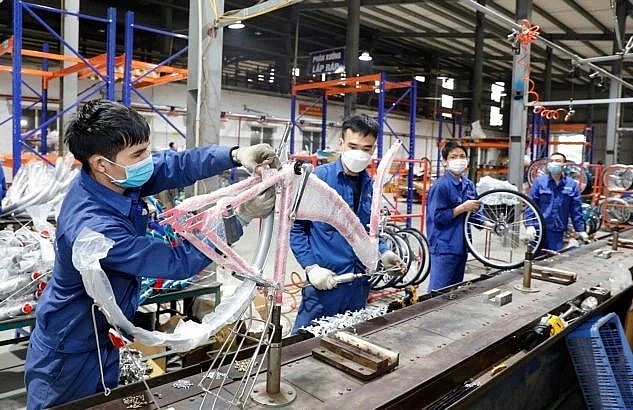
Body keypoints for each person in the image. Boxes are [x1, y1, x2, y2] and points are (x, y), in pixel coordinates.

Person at [24, 100, 279, 410]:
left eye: (146, 149)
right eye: (139, 154)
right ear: (101, 163)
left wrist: (234, 156)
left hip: (98, 335)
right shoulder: (95, 229)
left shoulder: (115, 180)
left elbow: (175, 165)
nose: (148, 160)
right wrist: (238, 217)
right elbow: (177, 260)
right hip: (69, 352)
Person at [290, 114, 405, 332]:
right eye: (353, 146)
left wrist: (383, 251)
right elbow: (296, 228)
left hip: (359, 285)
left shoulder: (371, 186)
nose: (359, 154)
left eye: (366, 148)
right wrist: (311, 267)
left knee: (350, 342)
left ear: (373, 150)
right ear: (341, 144)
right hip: (325, 284)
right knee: (303, 346)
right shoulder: (318, 181)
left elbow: (368, 230)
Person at [426, 141, 488, 291]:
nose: (459, 160)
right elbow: (438, 217)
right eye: (453, 157)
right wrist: (462, 208)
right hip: (444, 247)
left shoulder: (468, 184)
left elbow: (472, 213)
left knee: (454, 290)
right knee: (438, 291)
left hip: (462, 246)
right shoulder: (441, 186)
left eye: (462, 156)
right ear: (445, 162)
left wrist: (488, 224)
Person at [525, 152, 588, 251]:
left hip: (557, 231)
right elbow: (531, 205)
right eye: (551, 161)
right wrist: (529, 225)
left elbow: (576, 210)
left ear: (564, 165)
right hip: (538, 229)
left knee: (553, 259)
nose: (554, 163)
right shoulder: (539, 182)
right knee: (534, 260)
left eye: (558, 161)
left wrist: (580, 230)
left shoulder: (571, 185)